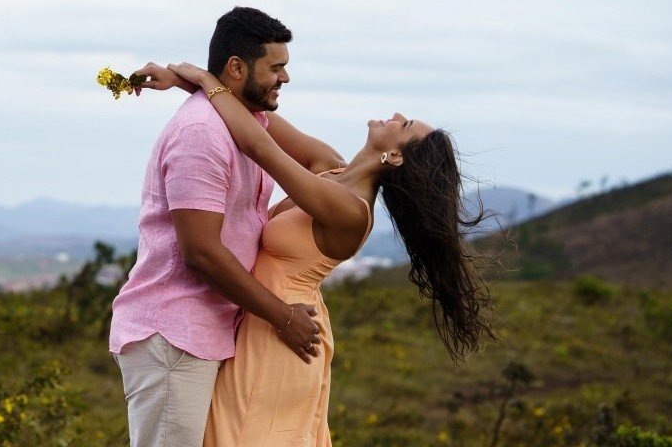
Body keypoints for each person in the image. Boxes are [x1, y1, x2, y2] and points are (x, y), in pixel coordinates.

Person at [145, 61, 495, 446]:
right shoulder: (330, 167)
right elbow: (258, 119)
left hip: (287, 329)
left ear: (396, 156)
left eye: (406, 124)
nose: (396, 115)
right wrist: (183, 82)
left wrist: (203, 79)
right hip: (266, 319)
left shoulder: (351, 210)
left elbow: (257, 145)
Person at [109, 7, 347, 447]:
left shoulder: (246, 122)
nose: (285, 78)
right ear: (237, 68)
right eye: (275, 68)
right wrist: (283, 317)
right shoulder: (201, 132)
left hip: (213, 330)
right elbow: (201, 252)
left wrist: (200, 81)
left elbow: (329, 164)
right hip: (174, 334)